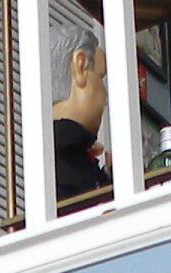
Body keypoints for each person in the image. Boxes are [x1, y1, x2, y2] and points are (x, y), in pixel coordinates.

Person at [50, 16, 110, 207]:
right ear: (81, 66)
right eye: (100, 77)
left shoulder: (55, 153)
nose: (105, 95)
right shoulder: (64, 160)